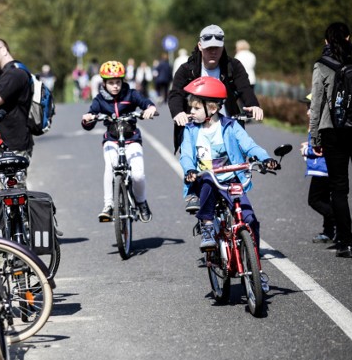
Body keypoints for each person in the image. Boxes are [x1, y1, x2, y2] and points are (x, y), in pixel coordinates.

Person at [179, 76, 278, 291]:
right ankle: (206, 227)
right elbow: (186, 155)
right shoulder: (190, 130)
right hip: (207, 178)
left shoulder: (231, 126)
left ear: (212, 108)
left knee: (250, 220)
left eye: (196, 108)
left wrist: (265, 158)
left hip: (231, 178)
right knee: (206, 180)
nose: (191, 112)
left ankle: (256, 270)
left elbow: (250, 146)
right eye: (191, 108)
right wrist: (189, 170)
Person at [169, 24, 264, 213]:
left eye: (217, 47)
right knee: (196, 162)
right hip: (198, 126)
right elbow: (175, 95)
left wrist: (253, 104)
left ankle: (237, 211)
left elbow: (244, 88)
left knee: (236, 165)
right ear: (200, 46)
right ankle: (196, 195)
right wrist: (178, 112)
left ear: (223, 46)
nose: (213, 51)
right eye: (209, 47)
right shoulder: (188, 69)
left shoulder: (232, 66)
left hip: (227, 124)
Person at [81, 60, 158, 223]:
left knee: (138, 174)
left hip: (132, 139)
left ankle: (141, 202)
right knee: (110, 167)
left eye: (118, 82)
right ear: (104, 83)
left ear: (122, 81)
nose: (115, 86)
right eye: (111, 83)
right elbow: (91, 118)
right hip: (112, 140)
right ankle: (108, 205)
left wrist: (150, 109)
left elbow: (146, 103)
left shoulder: (131, 94)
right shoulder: (100, 99)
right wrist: (88, 119)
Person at [309, 22, 352, 258]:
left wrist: (314, 137)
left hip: (333, 131)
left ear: (326, 42)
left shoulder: (322, 65)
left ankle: (346, 243)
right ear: (349, 37)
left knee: (339, 189)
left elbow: (316, 103)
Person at [299, 94, 335, 243]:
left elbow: (321, 148)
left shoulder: (320, 126)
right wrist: (308, 145)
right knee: (326, 200)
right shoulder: (320, 123)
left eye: (310, 107)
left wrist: (306, 151)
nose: (307, 112)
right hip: (323, 169)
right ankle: (328, 231)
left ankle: (339, 221)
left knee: (314, 200)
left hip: (323, 170)